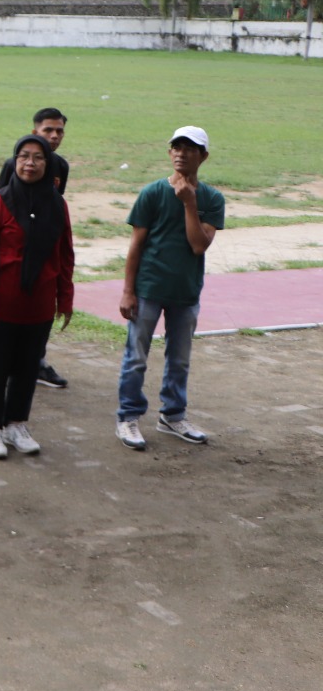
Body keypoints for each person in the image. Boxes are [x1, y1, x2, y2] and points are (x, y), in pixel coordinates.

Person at [114, 126, 223, 451]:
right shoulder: (152, 193)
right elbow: (136, 245)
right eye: (176, 147)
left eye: (189, 148)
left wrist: (190, 204)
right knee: (136, 357)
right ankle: (128, 417)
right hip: (149, 287)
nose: (181, 153)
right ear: (169, 152)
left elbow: (198, 245)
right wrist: (128, 290)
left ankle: (173, 416)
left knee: (179, 359)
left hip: (185, 291)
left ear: (203, 156)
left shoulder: (212, 199)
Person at [0, 136, 74, 460]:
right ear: (14, 161)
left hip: (39, 305)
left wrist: (65, 298)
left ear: (48, 164)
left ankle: (16, 424)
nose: (30, 163)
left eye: (38, 157)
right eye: (24, 156)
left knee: (28, 368)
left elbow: (65, 255)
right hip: (2, 305)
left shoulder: (57, 205)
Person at [0, 107, 72, 389]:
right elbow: (0, 202)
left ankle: (37, 363)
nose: (54, 136)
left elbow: (55, 207)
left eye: (59, 131)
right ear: (34, 132)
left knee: (39, 312)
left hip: (43, 249)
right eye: (48, 130)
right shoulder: (14, 164)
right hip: (16, 252)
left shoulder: (61, 167)